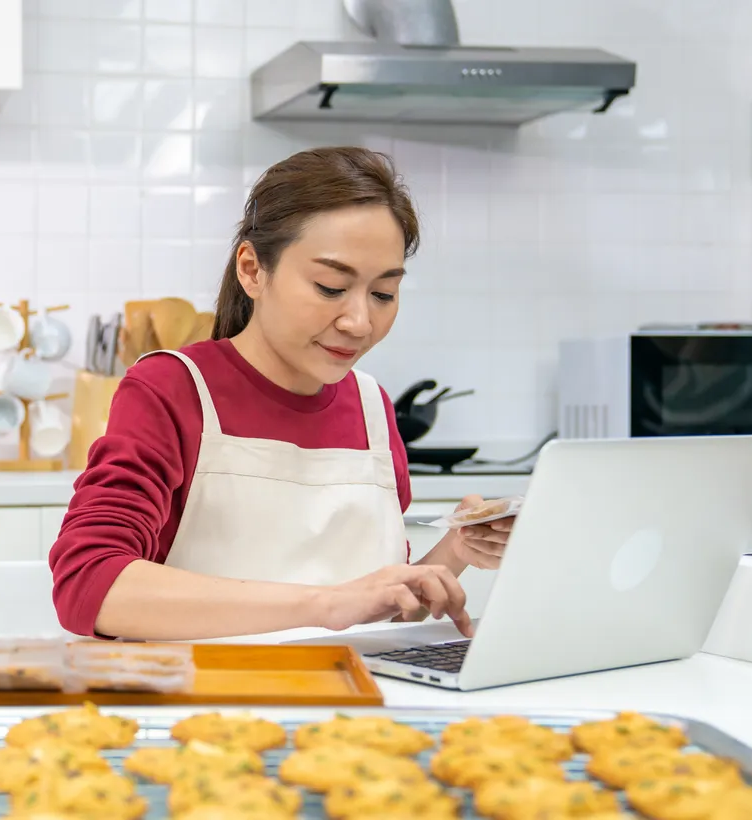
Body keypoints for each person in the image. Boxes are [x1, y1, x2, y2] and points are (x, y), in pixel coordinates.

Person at [49, 147, 516, 641]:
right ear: (252, 270)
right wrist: (325, 603)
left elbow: (370, 615)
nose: (359, 322)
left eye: (383, 294)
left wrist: (456, 551)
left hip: (356, 704)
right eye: (330, 286)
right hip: (212, 703)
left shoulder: (372, 408)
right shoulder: (173, 389)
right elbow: (89, 586)